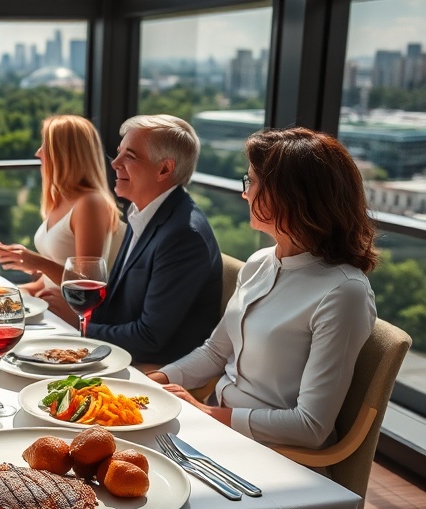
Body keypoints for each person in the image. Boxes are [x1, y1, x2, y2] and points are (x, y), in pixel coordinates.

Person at [148, 127, 377, 449]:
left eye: (251, 182)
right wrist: (153, 382)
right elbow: (215, 352)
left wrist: (205, 412)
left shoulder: (343, 293)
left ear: (289, 196)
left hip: (273, 450)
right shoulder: (259, 262)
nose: (245, 193)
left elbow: (310, 428)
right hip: (218, 425)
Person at [42, 114, 221, 365]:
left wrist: (80, 324)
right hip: (119, 350)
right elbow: (117, 304)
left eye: (130, 156)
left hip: (151, 367)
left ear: (164, 169)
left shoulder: (183, 236)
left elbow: (149, 339)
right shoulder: (142, 212)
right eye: (118, 152)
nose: (114, 163)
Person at [0, 115, 120, 295]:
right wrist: (5, 292)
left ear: (64, 153)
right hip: (51, 307)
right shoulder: (60, 199)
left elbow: (88, 284)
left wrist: (37, 262)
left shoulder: (90, 203)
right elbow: (48, 283)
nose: (38, 152)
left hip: (71, 315)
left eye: (46, 145)